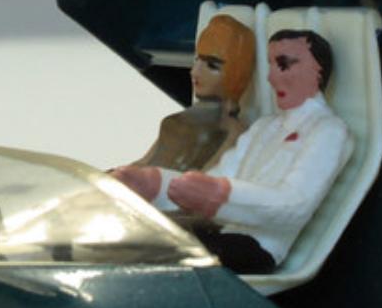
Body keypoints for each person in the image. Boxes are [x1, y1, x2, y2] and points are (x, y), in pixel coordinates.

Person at [113, 29, 351, 275]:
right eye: (270, 65)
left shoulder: (328, 131)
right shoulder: (264, 127)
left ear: (318, 71)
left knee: (142, 251)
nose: (271, 77)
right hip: (218, 230)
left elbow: (294, 206)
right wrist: (155, 183)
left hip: (256, 246)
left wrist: (221, 196)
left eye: (284, 65)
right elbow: (215, 179)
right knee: (126, 233)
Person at [133, 14, 255, 172]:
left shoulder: (233, 131)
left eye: (212, 66)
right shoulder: (186, 117)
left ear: (236, 74)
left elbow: (203, 178)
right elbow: (144, 161)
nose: (194, 72)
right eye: (197, 61)